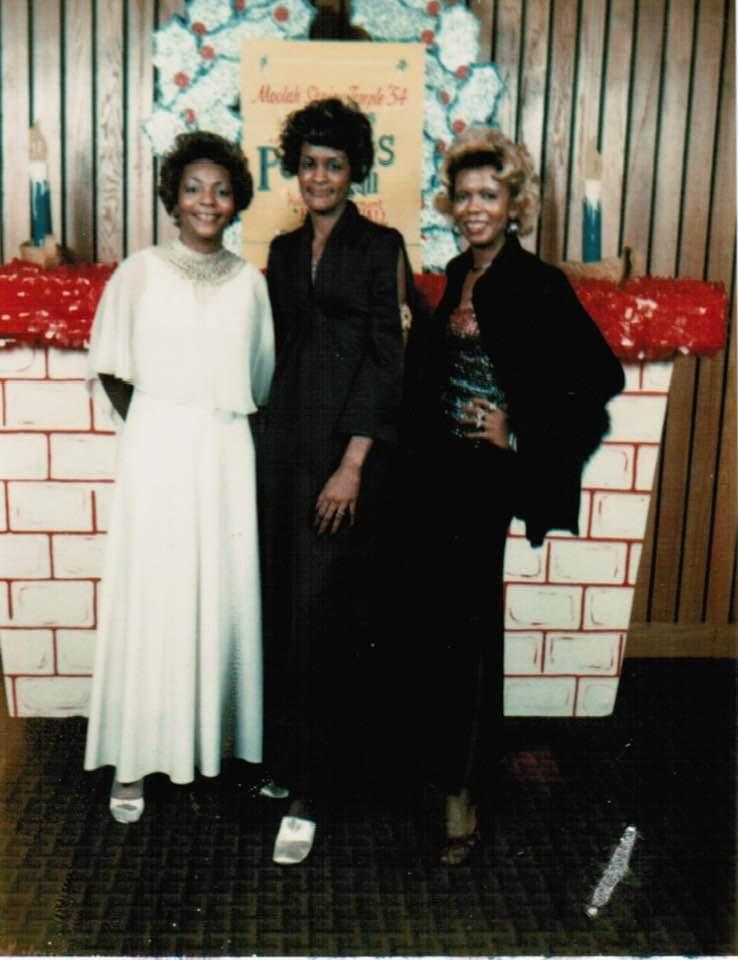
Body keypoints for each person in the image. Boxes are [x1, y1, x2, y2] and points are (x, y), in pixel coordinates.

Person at [402, 126, 624, 865]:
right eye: (463, 196)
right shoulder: (457, 272)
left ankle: (461, 796)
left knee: (465, 631)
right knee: (436, 624)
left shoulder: (537, 282)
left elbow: (599, 380)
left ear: (514, 204)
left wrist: (518, 430)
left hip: (482, 481)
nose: (474, 208)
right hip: (435, 474)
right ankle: (449, 766)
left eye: (488, 196)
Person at [84, 131, 275, 823]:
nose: (207, 201)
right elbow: (111, 365)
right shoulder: (139, 273)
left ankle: (211, 750)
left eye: (221, 190)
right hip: (158, 449)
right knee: (155, 597)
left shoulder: (251, 284)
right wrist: (157, 423)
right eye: (193, 188)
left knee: (220, 597)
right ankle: (134, 761)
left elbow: (261, 378)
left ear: (237, 201)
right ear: (173, 198)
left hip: (225, 454)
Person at [261, 98, 412, 865]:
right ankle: (290, 761)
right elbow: (276, 347)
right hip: (284, 451)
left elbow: (390, 359)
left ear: (355, 172)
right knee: (287, 607)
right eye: (309, 164)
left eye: (334, 165)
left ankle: (312, 793)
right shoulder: (284, 251)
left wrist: (352, 466)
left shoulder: (382, 246)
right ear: (296, 169)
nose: (319, 177)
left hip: (344, 458)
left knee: (324, 618)